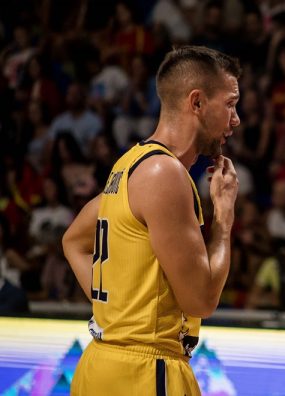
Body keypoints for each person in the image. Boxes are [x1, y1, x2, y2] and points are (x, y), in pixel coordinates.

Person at [62, 46, 241, 395]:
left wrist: (114, 312)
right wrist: (223, 219)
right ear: (197, 102)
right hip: (144, 371)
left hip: (101, 364)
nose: (235, 119)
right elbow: (200, 301)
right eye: (231, 103)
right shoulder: (164, 174)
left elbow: (73, 241)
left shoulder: (130, 164)